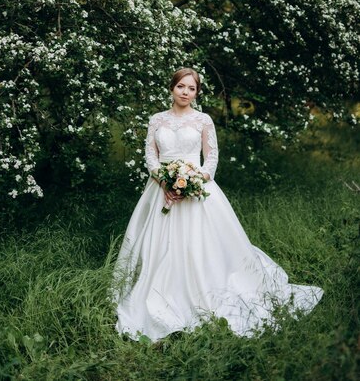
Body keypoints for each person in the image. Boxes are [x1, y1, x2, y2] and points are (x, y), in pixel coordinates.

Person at [113, 68, 323, 341]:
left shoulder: (203, 120)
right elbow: (151, 155)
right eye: (181, 87)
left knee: (201, 246)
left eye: (191, 88)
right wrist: (165, 182)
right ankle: (159, 292)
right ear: (171, 88)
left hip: (197, 188)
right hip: (160, 190)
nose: (185, 92)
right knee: (158, 245)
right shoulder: (157, 120)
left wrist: (195, 180)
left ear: (197, 92)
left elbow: (211, 156)